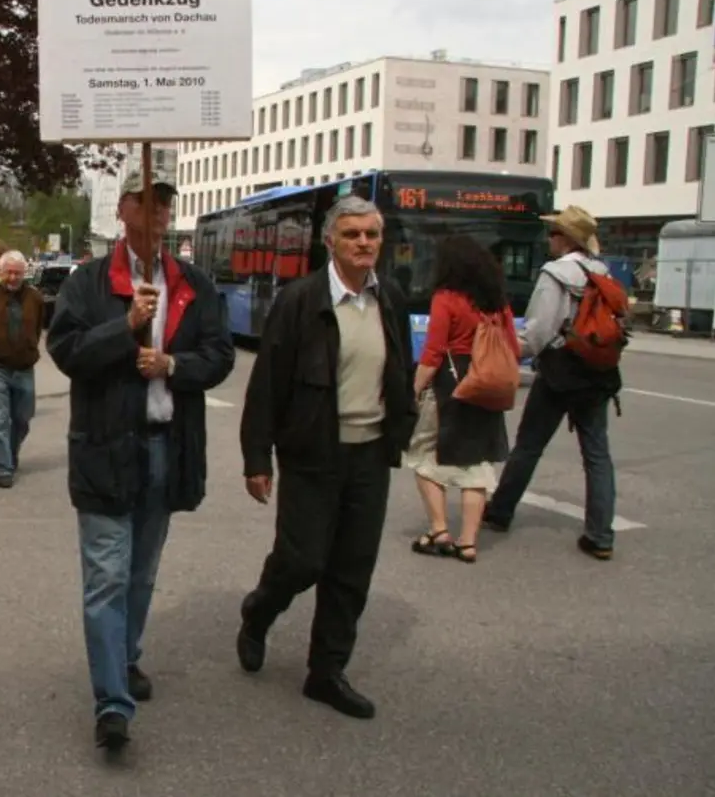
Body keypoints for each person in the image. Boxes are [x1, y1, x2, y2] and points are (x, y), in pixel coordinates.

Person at [47, 179, 234, 751]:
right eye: (147, 203)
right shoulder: (88, 283)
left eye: (165, 205)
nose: (159, 213)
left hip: (166, 450)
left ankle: (124, 658)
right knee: (107, 576)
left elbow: (220, 355)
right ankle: (111, 702)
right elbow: (66, 351)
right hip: (106, 448)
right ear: (124, 210)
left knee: (141, 573)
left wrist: (173, 365)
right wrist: (124, 326)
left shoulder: (192, 283)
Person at [235, 195, 417, 721]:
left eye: (372, 234)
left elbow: (400, 368)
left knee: (351, 570)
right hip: (313, 451)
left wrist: (403, 424)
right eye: (352, 234)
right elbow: (267, 383)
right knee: (303, 560)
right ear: (330, 241)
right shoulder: (300, 300)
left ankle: (326, 672)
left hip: (370, 453)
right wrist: (257, 458)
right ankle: (259, 610)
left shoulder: (390, 298)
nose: (364, 243)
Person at [482, 206, 622, 561]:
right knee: (597, 454)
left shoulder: (555, 273)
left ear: (566, 239)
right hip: (597, 372)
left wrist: (506, 354)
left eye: (554, 233)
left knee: (529, 445)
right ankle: (600, 535)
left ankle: (500, 511)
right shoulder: (602, 272)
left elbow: (538, 331)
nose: (549, 239)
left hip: (559, 371)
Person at [406, 236, 519, 564]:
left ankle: (439, 531)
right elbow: (513, 347)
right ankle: (468, 543)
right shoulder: (497, 302)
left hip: (451, 385)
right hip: (487, 386)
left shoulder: (446, 298)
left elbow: (433, 353)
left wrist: (412, 391)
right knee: (477, 463)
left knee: (422, 453)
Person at [0, 249, 44, 488]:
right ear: (0, 272)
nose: (13, 278)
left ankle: (11, 454)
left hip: (24, 366)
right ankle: (4, 467)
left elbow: (37, 328)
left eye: (17, 273)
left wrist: (29, 347)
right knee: (0, 419)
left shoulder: (35, 298)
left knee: (23, 418)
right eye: (8, 272)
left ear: (25, 273)